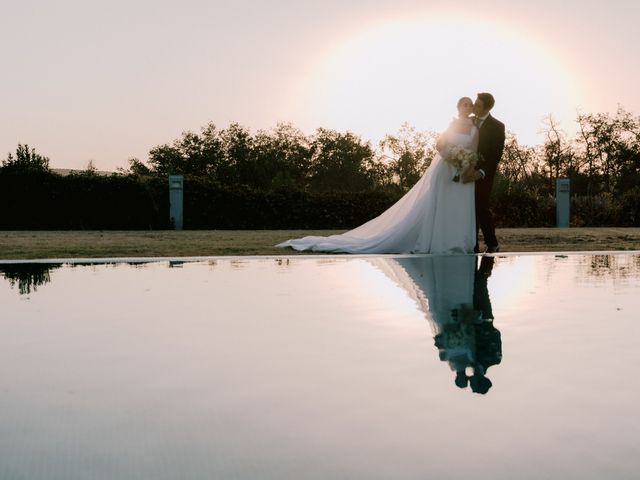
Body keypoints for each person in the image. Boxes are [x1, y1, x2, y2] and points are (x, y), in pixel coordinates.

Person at [276, 97, 478, 254]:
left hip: (463, 172)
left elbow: (475, 151)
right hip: (446, 170)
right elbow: (440, 145)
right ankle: (440, 242)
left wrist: (466, 163)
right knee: (442, 206)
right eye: (464, 104)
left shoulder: (474, 129)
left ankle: (456, 242)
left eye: (470, 105)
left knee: (458, 208)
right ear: (458, 108)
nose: (467, 107)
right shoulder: (450, 126)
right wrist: (451, 157)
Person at [464, 93, 505, 254]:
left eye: (478, 105)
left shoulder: (497, 126)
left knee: (481, 207)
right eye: (474, 103)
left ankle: (492, 243)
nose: (474, 107)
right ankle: (472, 245)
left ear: (487, 108)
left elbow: (496, 155)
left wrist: (481, 172)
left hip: (483, 175)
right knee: (467, 208)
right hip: (465, 171)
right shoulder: (469, 120)